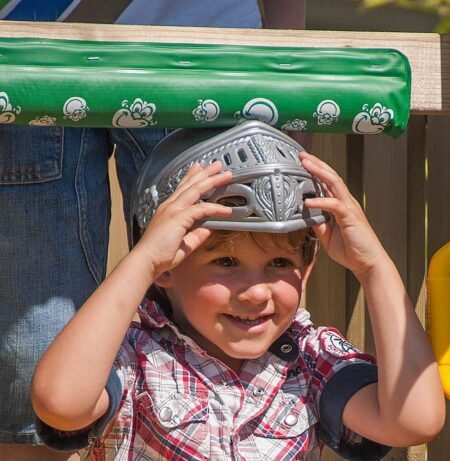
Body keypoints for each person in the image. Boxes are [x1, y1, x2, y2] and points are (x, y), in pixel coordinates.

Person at [30, 121, 445, 460]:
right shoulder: (136, 357)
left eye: (280, 264)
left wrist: (374, 268)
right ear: (166, 267)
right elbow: (61, 404)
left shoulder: (311, 360)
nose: (255, 292)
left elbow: (414, 420)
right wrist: (142, 260)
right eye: (226, 263)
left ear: (308, 267)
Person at [0, 2, 306, 460]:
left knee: (229, 319)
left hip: (204, 51)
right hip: (34, 43)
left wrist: (287, 56)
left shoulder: (313, 352)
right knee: (37, 359)